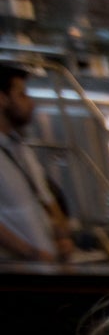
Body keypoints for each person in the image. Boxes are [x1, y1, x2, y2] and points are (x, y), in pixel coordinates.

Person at [0, 63, 73, 263]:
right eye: (22, 95)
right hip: (17, 271)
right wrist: (31, 253)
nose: (31, 104)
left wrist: (62, 235)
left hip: (44, 264)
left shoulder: (20, 148)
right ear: (2, 99)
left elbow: (46, 197)